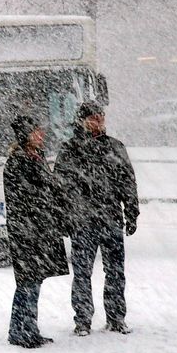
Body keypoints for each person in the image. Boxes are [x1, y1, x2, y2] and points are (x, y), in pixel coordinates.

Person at [54, 102, 139, 336]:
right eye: (94, 117)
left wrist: (131, 211)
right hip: (83, 221)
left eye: (101, 117)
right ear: (82, 120)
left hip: (110, 218)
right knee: (82, 273)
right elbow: (60, 187)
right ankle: (83, 319)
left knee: (115, 271)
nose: (99, 121)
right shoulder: (70, 149)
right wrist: (64, 218)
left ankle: (116, 317)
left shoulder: (114, 147)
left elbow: (127, 182)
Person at [3, 115, 70, 349]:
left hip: (39, 230)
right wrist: (50, 196)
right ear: (25, 136)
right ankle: (19, 331)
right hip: (26, 232)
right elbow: (29, 196)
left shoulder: (36, 157)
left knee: (34, 281)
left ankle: (28, 328)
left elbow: (47, 189)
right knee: (27, 282)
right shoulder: (17, 162)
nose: (41, 135)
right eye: (36, 132)